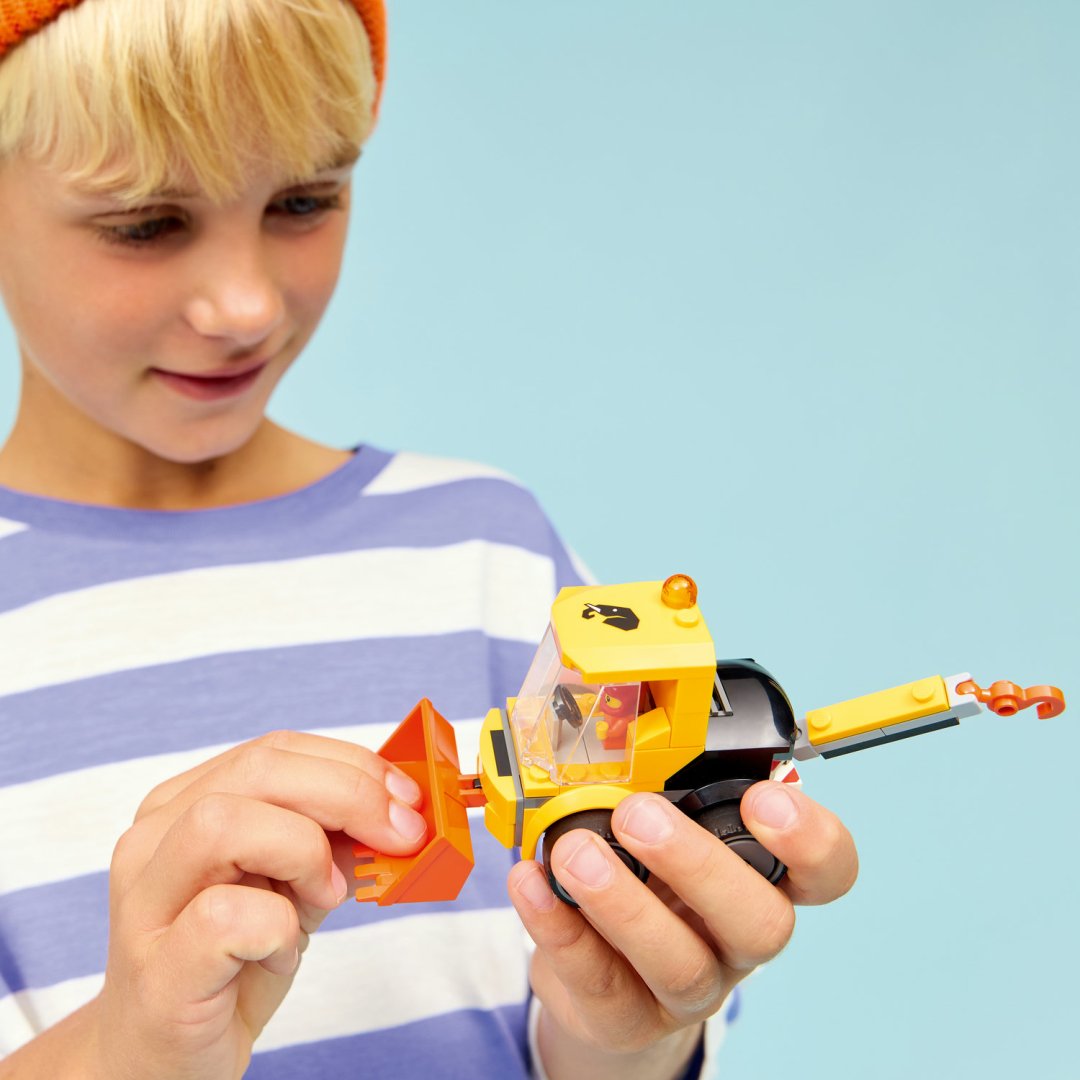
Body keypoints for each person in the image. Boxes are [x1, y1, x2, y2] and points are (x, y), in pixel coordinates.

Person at [0, 2, 859, 1077]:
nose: (244, 304)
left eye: (304, 201)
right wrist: (131, 1047)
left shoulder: (486, 552)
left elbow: (604, 1038)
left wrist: (625, 1026)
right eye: (144, 224)